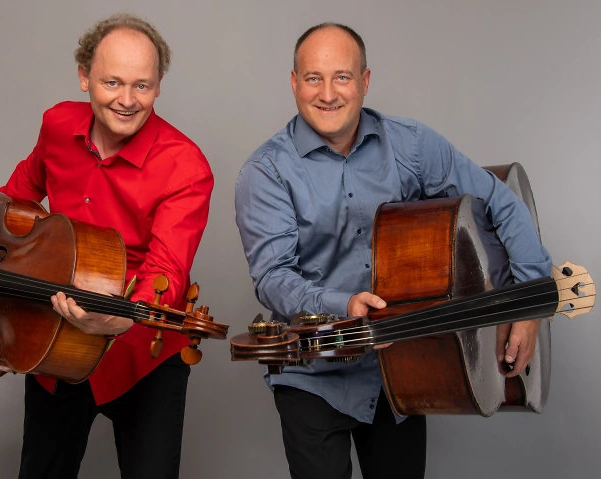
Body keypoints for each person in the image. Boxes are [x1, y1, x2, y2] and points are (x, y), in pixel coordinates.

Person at [234, 23, 552, 479]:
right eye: (313, 78)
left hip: (403, 369)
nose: (327, 93)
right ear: (294, 82)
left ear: (365, 81)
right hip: (313, 374)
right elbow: (273, 278)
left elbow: (502, 202)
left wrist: (528, 303)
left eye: (342, 77)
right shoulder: (265, 172)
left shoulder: (412, 145)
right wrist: (343, 304)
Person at [0, 13, 214, 479]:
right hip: (55, 341)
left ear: (158, 86)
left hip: (144, 356)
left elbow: (167, 271)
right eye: (112, 82)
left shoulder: (186, 165)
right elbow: (14, 201)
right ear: (84, 77)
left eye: (142, 85)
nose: (127, 100)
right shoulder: (57, 125)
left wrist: (124, 315)